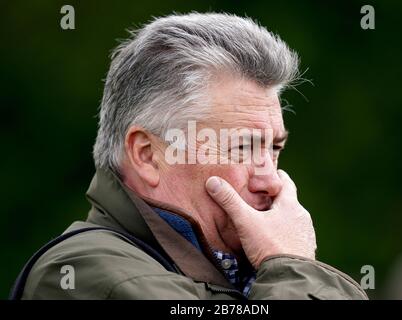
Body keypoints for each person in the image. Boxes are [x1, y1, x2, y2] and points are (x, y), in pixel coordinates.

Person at [18, 12, 367, 299]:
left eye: (274, 148)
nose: (271, 179)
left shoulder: (259, 273)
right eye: (242, 147)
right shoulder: (86, 274)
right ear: (148, 156)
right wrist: (292, 265)